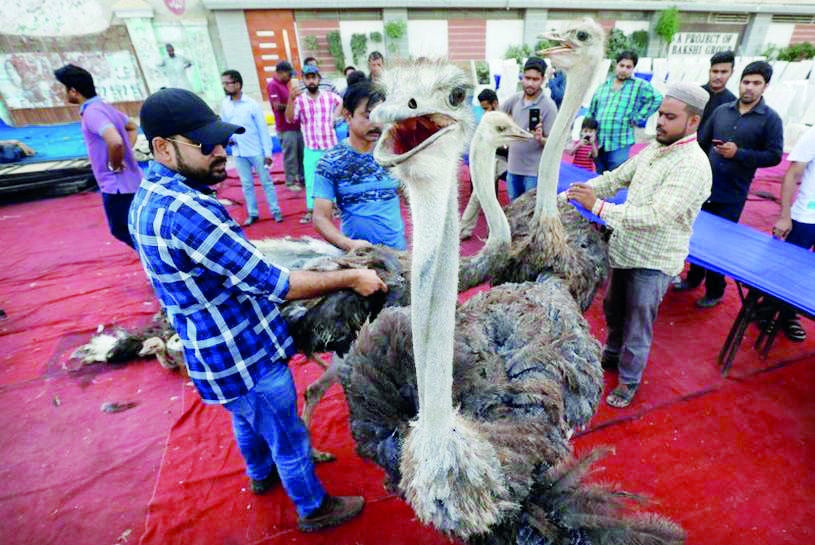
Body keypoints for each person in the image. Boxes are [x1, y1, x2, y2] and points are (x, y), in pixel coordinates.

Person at [129, 88, 382, 531]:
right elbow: (274, 284)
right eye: (206, 145)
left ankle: (260, 476)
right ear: (164, 148)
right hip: (244, 355)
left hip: (210, 352)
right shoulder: (188, 211)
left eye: (221, 140)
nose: (222, 152)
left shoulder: (147, 196)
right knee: (288, 435)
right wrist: (350, 277)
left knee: (246, 422)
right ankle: (313, 508)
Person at [564, 83, 712, 408]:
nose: (660, 122)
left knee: (637, 325)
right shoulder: (654, 149)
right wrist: (572, 194)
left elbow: (657, 215)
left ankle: (629, 381)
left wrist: (598, 208)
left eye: (670, 117)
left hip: (654, 261)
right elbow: (613, 178)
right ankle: (612, 356)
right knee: (613, 311)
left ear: (693, 122)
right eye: (660, 114)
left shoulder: (693, 165)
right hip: (625, 251)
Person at [676, 61, 784, 307]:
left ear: (765, 87)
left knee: (718, 245)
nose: (749, 88)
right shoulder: (722, 111)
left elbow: (774, 156)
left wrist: (739, 154)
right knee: (695, 235)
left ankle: (715, 290)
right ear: (740, 82)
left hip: (733, 192)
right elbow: (701, 143)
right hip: (704, 188)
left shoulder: (770, 120)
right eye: (746, 82)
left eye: (756, 83)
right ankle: (693, 278)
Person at [54, 64, 141, 248]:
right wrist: (125, 153)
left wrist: (115, 164)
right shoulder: (104, 108)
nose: (64, 94)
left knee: (121, 229)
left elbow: (115, 141)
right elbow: (132, 127)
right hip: (131, 181)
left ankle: (157, 263)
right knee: (135, 229)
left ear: (74, 91)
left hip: (116, 185)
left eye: (64, 89)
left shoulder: (92, 113)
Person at [312, 81, 406, 251]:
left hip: (398, 255)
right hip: (357, 259)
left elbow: (409, 199)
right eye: (368, 116)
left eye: (381, 116)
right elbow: (320, 218)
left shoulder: (394, 156)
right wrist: (349, 245)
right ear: (348, 116)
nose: (377, 124)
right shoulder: (330, 161)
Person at [761, 125, 815, 341]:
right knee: (785, 269)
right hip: (806, 217)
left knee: (807, 275)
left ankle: (788, 314)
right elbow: (792, 174)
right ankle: (764, 312)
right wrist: (785, 215)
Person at [221, 69, 283, 225]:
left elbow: (263, 129)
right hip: (238, 151)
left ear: (238, 84)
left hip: (255, 150)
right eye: (223, 83)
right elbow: (225, 126)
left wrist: (267, 153)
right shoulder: (225, 104)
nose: (225, 86)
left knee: (266, 182)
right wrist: (228, 139)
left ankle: (275, 211)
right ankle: (253, 213)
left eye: (228, 83)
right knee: (246, 185)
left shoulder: (251, 104)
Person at [588, 50, 662, 174]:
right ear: (616, 65)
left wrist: (639, 117)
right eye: (621, 65)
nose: (624, 70)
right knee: (597, 178)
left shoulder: (639, 85)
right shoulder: (603, 86)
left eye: (629, 67)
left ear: (633, 68)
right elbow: (592, 111)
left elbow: (657, 98)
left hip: (620, 141)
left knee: (615, 179)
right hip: (599, 141)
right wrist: (587, 132)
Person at [286, 64, 343, 224]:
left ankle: (335, 207)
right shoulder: (300, 100)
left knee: (334, 178)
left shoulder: (329, 96)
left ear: (319, 79)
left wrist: (335, 117)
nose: (311, 81)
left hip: (330, 146)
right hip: (311, 148)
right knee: (311, 180)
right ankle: (311, 210)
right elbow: (290, 118)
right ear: (303, 80)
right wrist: (290, 99)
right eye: (308, 78)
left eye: (314, 77)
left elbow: (341, 102)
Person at [500, 56, 557, 200]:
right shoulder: (515, 99)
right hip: (512, 167)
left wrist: (540, 138)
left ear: (543, 79)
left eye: (535, 79)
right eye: (527, 78)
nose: (530, 83)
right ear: (522, 77)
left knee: (529, 213)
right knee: (513, 208)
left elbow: (553, 143)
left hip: (533, 172)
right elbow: (496, 116)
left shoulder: (549, 106)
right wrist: (505, 131)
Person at [267, 61, 304, 192]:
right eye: (288, 74)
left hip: (296, 126)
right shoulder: (273, 85)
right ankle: (290, 181)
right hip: (285, 128)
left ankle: (301, 178)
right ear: (281, 72)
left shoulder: (285, 85)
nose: (290, 77)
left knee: (300, 154)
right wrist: (291, 103)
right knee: (290, 156)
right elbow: (276, 106)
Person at [699, 50, 737, 135]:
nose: (718, 76)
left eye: (724, 72)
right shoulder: (696, 94)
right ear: (709, 71)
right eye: (715, 71)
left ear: (731, 73)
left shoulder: (733, 103)